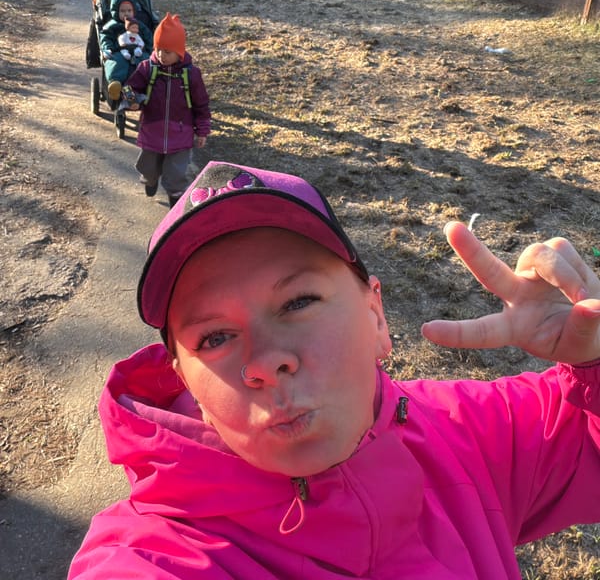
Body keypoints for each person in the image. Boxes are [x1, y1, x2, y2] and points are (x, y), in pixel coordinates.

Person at [67, 160, 600, 580]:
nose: (266, 362)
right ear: (183, 378)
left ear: (376, 315)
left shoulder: (468, 434)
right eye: (215, 337)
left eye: (298, 302)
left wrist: (593, 358)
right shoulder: (153, 557)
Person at [122, 12, 211, 208]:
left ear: (179, 51)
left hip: (181, 132)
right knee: (148, 167)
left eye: (168, 51)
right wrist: (132, 101)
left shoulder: (191, 75)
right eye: (159, 49)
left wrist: (202, 130)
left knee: (176, 174)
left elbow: (201, 105)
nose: (162, 55)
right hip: (152, 129)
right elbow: (129, 88)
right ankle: (150, 179)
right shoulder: (147, 68)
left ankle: (175, 200)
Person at [99, 0, 153, 100]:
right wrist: (107, 49)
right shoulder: (112, 25)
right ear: (115, 11)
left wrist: (150, 50)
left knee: (145, 63)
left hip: (139, 52)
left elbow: (148, 37)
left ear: (134, 11)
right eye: (122, 11)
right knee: (115, 63)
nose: (126, 13)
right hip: (118, 51)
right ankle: (115, 84)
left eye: (129, 10)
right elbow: (106, 37)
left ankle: (146, 85)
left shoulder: (139, 25)